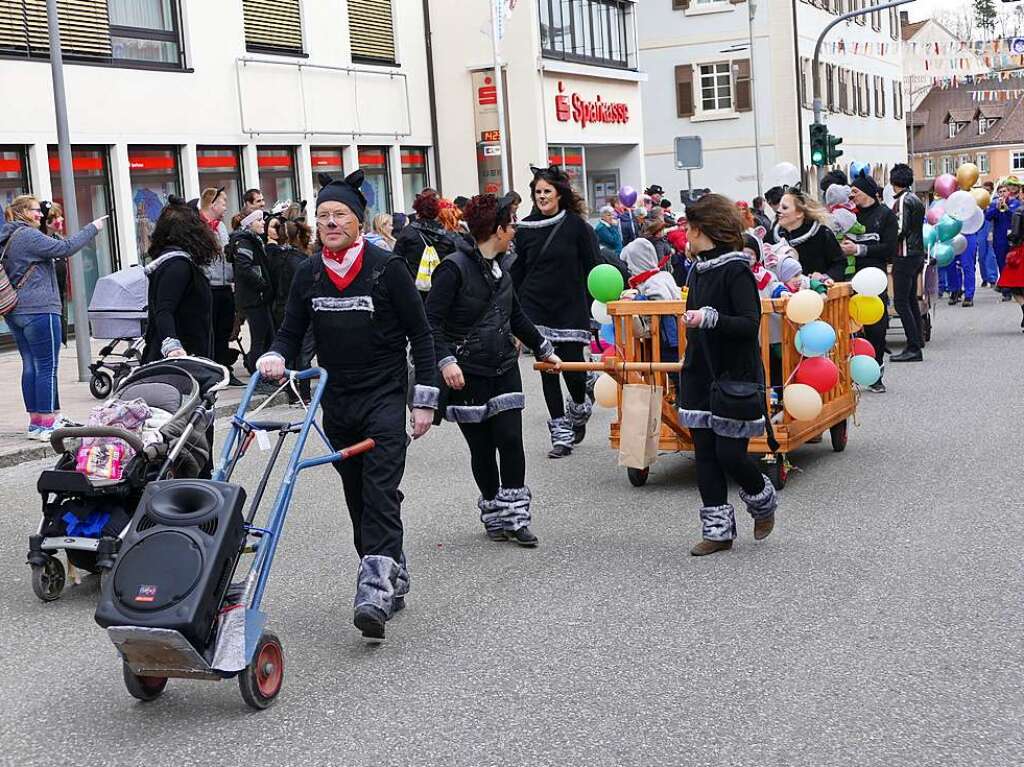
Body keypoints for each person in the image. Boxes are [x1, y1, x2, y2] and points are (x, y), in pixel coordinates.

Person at [257, 171, 438, 643]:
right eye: (323, 216)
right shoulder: (309, 272)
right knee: (360, 497)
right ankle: (390, 569)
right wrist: (276, 354)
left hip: (383, 396)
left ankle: (373, 591)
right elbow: (291, 330)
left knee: (379, 489)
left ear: (358, 222)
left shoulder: (386, 267)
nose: (331, 222)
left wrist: (424, 402)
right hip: (335, 401)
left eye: (340, 215)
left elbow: (421, 335)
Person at [425, 193, 561, 546]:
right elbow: (430, 324)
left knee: (511, 441)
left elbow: (515, 316)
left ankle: (517, 517)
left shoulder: (505, 267)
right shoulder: (452, 268)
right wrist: (446, 361)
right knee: (482, 449)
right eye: (512, 223)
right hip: (466, 373)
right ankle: (494, 513)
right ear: (498, 229)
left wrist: (546, 350)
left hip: (503, 366)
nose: (515, 229)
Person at [676, 193, 778, 556]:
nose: (685, 234)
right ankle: (718, 532)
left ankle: (762, 499)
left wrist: (710, 318)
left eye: (689, 227)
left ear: (704, 229)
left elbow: (749, 325)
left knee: (730, 455)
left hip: (734, 374)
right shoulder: (697, 268)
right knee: (704, 453)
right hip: (700, 372)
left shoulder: (737, 270)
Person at [512, 164, 600, 459]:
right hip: (535, 307)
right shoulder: (524, 229)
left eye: (547, 191)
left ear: (559, 194)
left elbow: (594, 268)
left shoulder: (577, 227)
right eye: (537, 192)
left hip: (570, 306)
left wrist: (596, 306)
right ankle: (560, 433)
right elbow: (519, 272)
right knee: (548, 369)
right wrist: (511, 311)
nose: (542, 196)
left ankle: (579, 406)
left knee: (573, 367)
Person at [1, 195, 104, 441]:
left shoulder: (8, 236)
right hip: (39, 309)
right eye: (36, 211)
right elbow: (65, 248)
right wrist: (93, 228)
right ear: (23, 211)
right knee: (47, 367)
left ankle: (37, 422)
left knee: (31, 366)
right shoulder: (27, 235)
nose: (41, 215)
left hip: (15, 311)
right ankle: (47, 423)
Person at [142, 197, 218, 363]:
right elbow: (164, 310)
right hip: (181, 361)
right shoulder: (178, 266)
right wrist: (172, 346)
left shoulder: (175, 262)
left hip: (187, 358)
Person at [846, 175, 897, 393]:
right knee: (851, 328)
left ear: (866, 192)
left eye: (855, 191)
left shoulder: (885, 215)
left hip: (874, 279)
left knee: (876, 328)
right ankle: (851, 373)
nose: (851, 195)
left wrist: (858, 250)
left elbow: (889, 249)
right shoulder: (848, 216)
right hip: (849, 279)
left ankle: (876, 374)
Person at [198, 187, 239, 384]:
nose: (226, 206)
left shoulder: (221, 227)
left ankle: (225, 371)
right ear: (212, 204)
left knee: (224, 331)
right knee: (210, 332)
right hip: (209, 287)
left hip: (224, 287)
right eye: (223, 203)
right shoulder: (199, 227)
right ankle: (210, 372)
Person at [229, 210, 275, 374]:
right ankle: (259, 376)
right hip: (253, 298)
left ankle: (263, 373)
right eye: (259, 220)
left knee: (267, 336)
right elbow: (244, 267)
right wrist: (262, 284)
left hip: (258, 297)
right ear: (250, 223)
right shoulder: (245, 242)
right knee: (259, 340)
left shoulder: (253, 240)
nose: (263, 223)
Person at [888, 164, 926, 362]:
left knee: (901, 302)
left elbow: (900, 228)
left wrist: (888, 245)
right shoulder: (916, 199)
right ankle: (917, 341)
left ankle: (912, 346)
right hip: (917, 253)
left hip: (905, 254)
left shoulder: (902, 200)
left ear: (893, 181)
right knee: (911, 299)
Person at [769, 189, 847, 282]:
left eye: (784, 208)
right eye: (779, 207)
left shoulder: (821, 233)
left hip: (816, 293)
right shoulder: (772, 236)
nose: (778, 211)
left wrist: (825, 277)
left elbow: (839, 263)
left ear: (799, 213)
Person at [394, 190, 459, 297]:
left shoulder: (407, 233)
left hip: (413, 287)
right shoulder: (447, 236)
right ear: (437, 212)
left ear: (417, 211)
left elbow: (396, 260)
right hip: (440, 287)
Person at [39, 201, 71, 345]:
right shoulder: (39, 243)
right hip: (44, 308)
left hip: (57, 303)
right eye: (58, 216)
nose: (62, 219)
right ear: (47, 222)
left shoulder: (58, 241)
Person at [985, 177, 1020, 302]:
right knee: (1001, 264)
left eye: (1004, 191)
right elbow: (987, 217)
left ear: (1008, 192)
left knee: (1012, 264)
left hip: (1012, 239)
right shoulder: (994, 204)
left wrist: (1007, 208)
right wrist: (996, 207)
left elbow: (1016, 217)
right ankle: (1006, 291)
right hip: (999, 239)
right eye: (1000, 192)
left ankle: (1014, 288)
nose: (1002, 194)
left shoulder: (1015, 203)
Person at [996, 207, 1024, 329]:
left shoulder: (1019, 211)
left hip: (1021, 250)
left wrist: (1010, 238)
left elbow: (1015, 234)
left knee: (1012, 285)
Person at [979, 181, 999, 288]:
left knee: (990, 255)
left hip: (991, 228)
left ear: (991, 190)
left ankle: (992, 278)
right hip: (980, 230)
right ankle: (984, 278)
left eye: (987, 189)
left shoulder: (995, 201)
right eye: (983, 189)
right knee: (981, 256)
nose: (985, 191)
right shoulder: (979, 200)